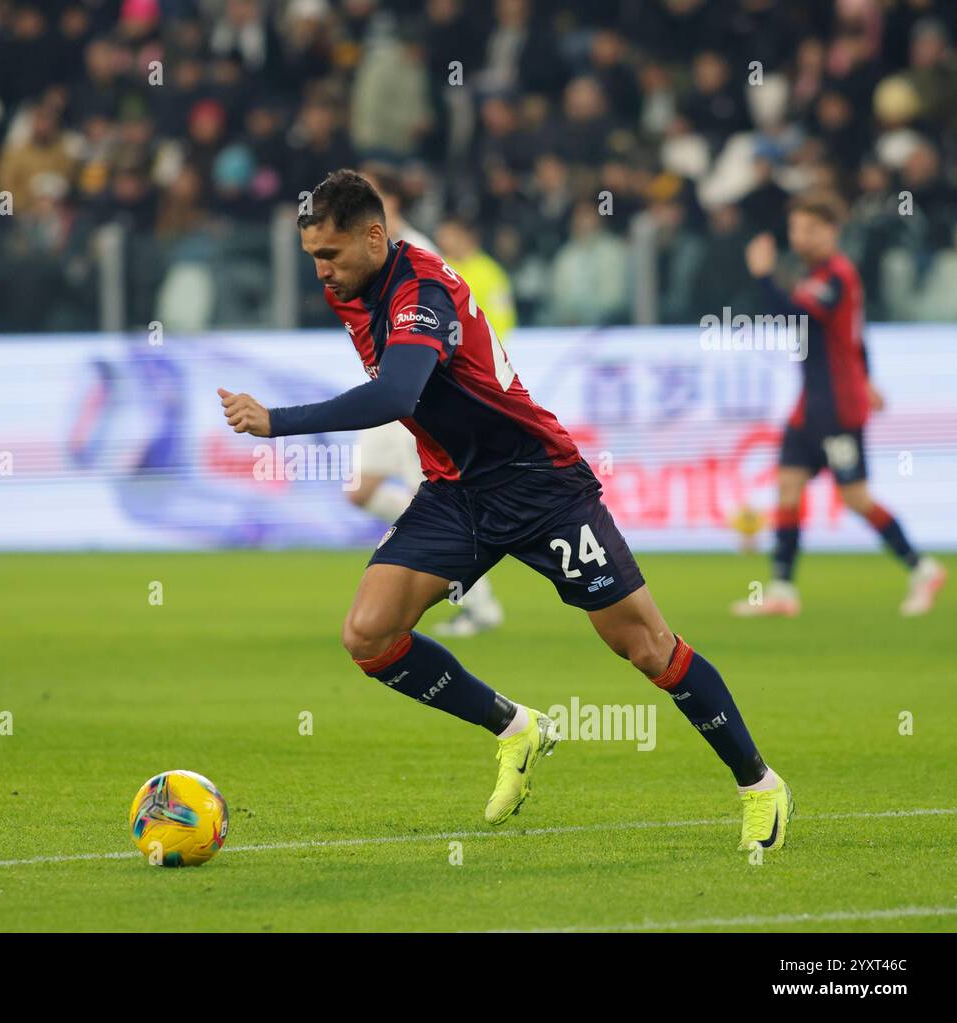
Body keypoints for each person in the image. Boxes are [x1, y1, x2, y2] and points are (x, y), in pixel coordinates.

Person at [220, 170, 792, 852]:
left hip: (537, 484)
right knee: (369, 635)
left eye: (330, 255)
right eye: (313, 256)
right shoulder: (352, 282)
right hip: (456, 489)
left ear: (376, 237)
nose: (322, 271)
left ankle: (760, 785)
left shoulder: (421, 290)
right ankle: (515, 727)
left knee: (645, 646)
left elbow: (399, 391)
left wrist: (276, 421)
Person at [733, 191, 946, 618]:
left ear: (832, 231)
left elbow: (797, 316)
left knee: (855, 497)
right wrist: (868, 376)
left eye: (810, 230)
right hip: (810, 405)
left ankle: (922, 568)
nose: (801, 237)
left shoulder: (835, 275)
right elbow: (853, 335)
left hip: (836, 410)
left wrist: (762, 276)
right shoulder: (818, 274)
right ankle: (781, 590)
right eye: (796, 229)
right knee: (788, 487)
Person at [348, 164, 504, 637]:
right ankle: (467, 587)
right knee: (362, 490)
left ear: (392, 205)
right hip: (387, 392)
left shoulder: (419, 252)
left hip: (419, 395)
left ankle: (478, 604)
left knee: (438, 499)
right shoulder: (365, 256)